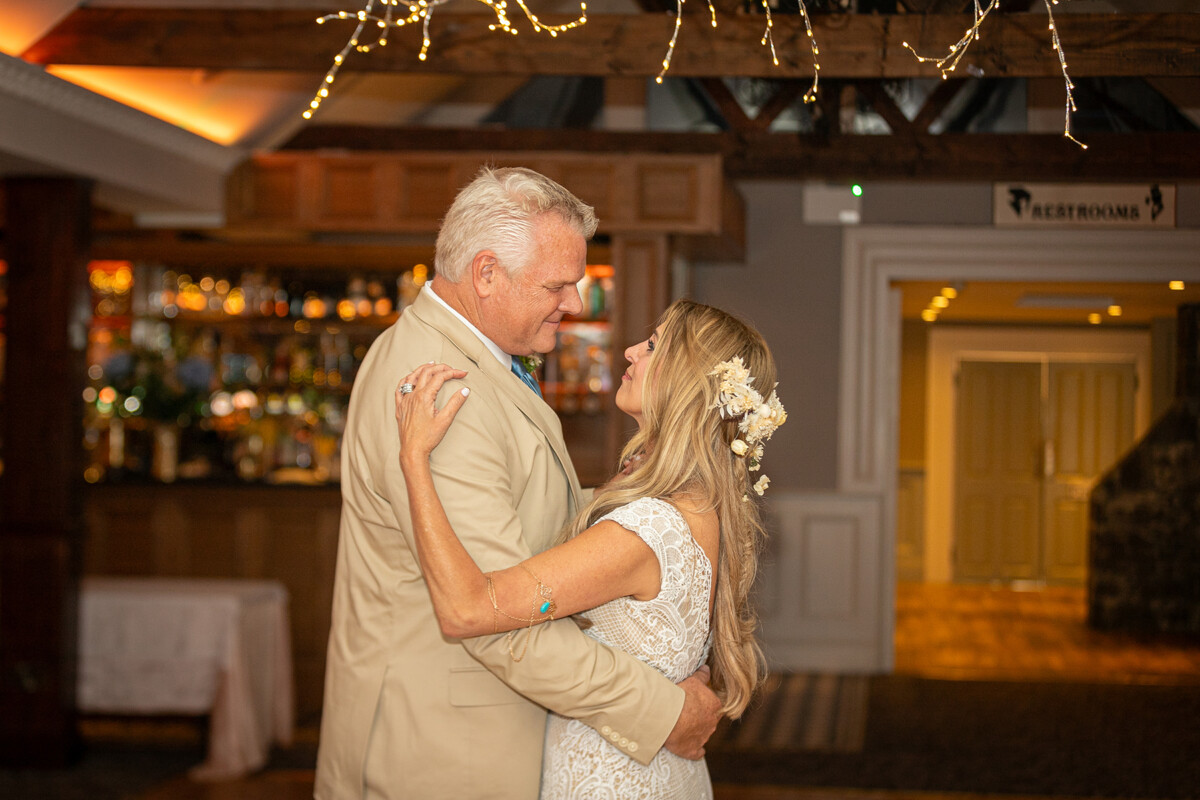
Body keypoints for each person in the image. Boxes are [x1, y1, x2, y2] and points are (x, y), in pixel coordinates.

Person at [314, 167, 722, 800]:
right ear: (485, 274)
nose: (576, 304)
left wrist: (647, 511)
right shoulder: (443, 386)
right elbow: (492, 618)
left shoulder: (474, 359)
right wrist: (660, 709)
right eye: (557, 285)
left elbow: (525, 516)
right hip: (440, 749)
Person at [395, 298, 786, 798]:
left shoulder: (644, 529)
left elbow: (466, 609)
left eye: (651, 345)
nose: (629, 351)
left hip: (607, 779)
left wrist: (414, 460)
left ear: (686, 380)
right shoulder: (701, 505)